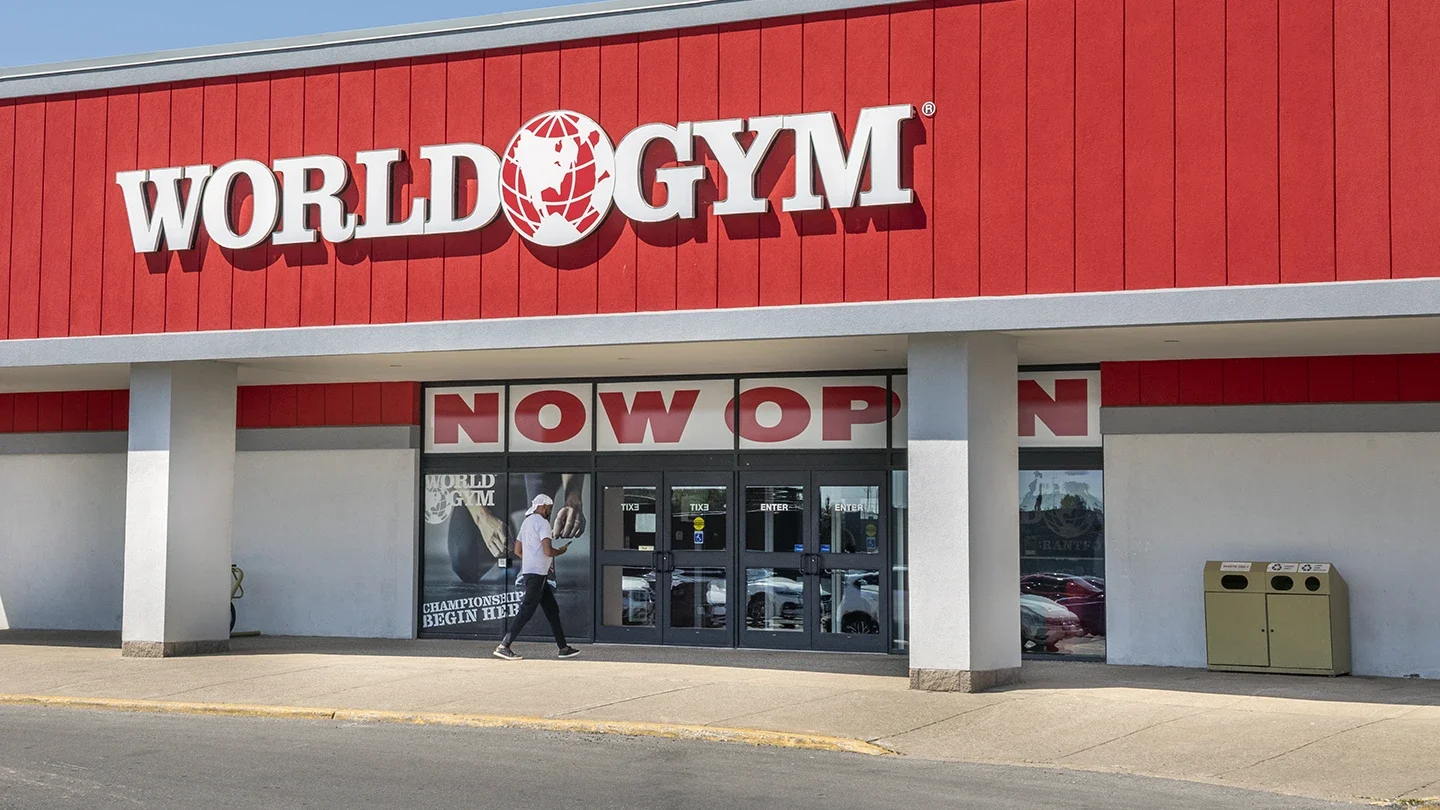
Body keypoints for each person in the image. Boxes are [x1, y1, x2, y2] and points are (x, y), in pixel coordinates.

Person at [494, 494, 581, 660]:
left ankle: (563, 647)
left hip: (532, 572)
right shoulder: (543, 523)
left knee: (552, 610)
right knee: (526, 610)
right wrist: (561, 551)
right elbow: (548, 551)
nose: (549, 510)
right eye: (549, 507)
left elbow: (518, 551)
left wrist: (536, 561)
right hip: (538, 576)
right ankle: (504, 645)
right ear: (544, 506)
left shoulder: (526, 523)